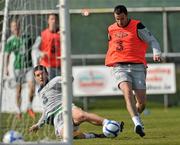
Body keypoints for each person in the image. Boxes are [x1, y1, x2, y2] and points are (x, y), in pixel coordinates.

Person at [105, 5, 162, 137]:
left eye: (122, 19)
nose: (120, 22)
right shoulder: (111, 29)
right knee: (127, 91)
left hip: (138, 67)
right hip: (119, 66)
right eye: (117, 19)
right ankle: (137, 123)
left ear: (127, 15)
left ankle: (135, 117)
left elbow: (152, 40)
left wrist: (156, 52)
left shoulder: (138, 26)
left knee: (141, 104)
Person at [29, 65, 124, 139]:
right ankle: (93, 136)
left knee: (81, 115)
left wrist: (66, 77)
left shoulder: (54, 81)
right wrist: (38, 125)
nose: (41, 77)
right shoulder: (39, 93)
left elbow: (70, 79)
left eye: (42, 74)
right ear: (35, 77)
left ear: (47, 74)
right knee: (67, 136)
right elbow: (45, 111)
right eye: (38, 75)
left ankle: (109, 123)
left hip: (65, 108)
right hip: (57, 119)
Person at [4, 20, 36, 119]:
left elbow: (38, 44)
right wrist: (6, 68)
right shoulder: (10, 41)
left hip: (29, 66)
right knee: (19, 90)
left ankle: (29, 107)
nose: (16, 28)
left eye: (17, 26)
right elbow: (8, 55)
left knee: (32, 86)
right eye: (13, 26)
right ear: (11, 28)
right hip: (18, 68)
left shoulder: (28, 37)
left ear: (20, 26)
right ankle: (18, 111)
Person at [35, 13, 61, 80]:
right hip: (46, 66)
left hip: (59, 66)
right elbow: (35, 49)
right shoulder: (42, 34)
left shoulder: (62, 34)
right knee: (47, 88)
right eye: (52, 19)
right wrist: (41, 54)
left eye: (55, 19)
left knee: (59, 88)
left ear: (58, 21)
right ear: (48, 21)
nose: (54, 21)